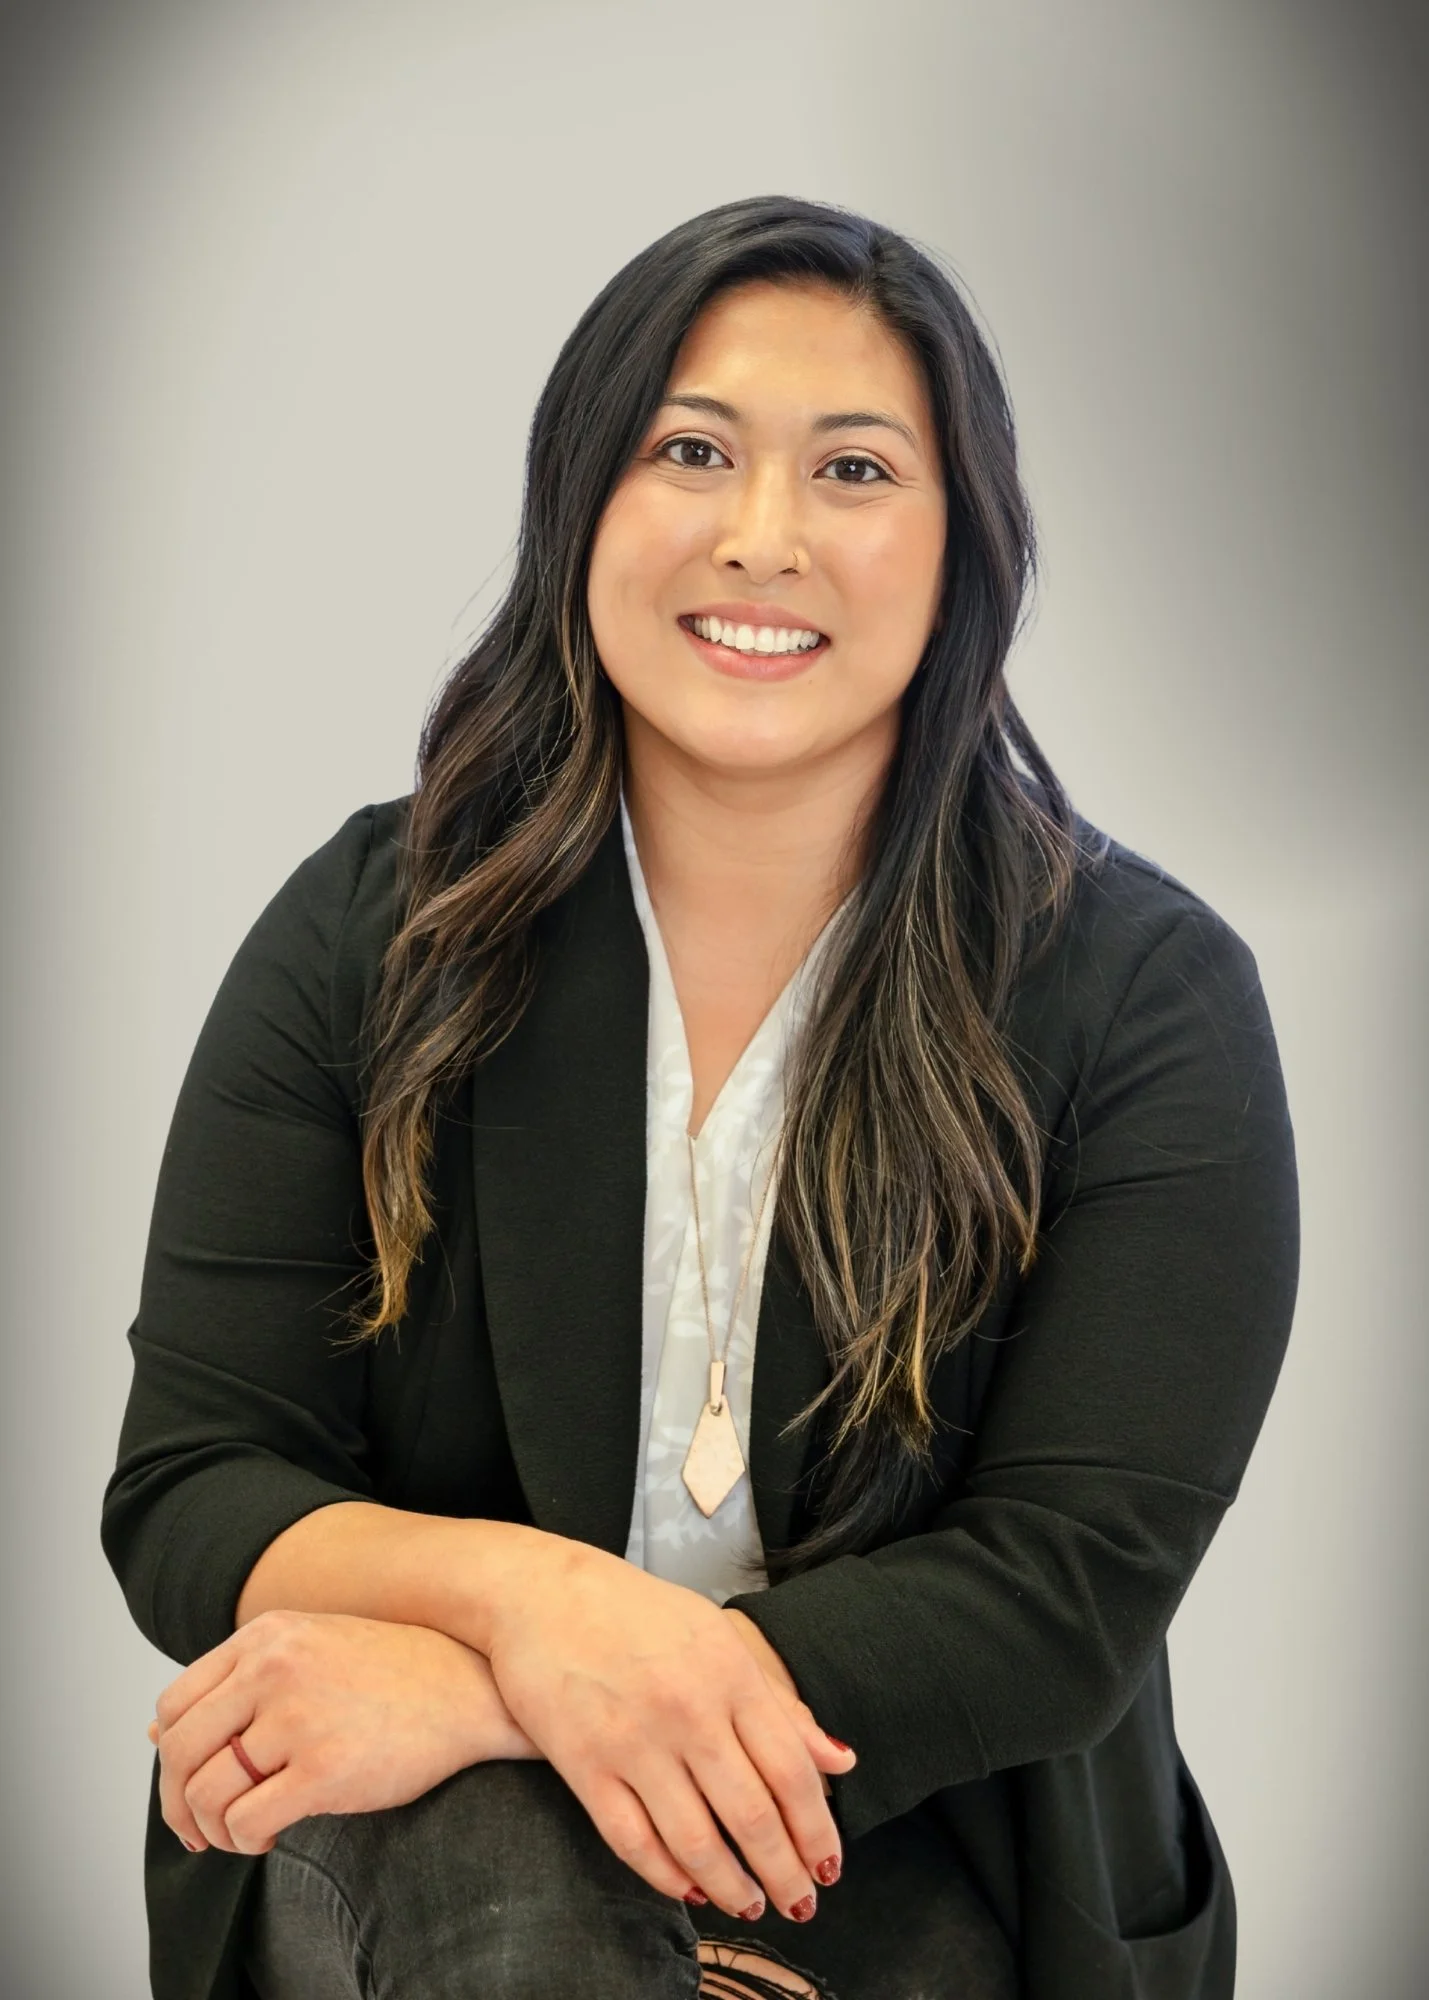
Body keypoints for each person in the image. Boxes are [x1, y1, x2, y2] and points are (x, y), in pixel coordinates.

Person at [101, 194, 1300, 2000]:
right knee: (507, 1894)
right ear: (580, 501)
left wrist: (477, 1688)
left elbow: (1063, 1586)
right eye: (692, 450)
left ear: (964, 546)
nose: (763, 538)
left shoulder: (1143, 993)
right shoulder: (371, 935)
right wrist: (540, 1617)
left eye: (855, 472)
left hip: (925, 1831)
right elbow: (199, 1483)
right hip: (414, 1833)